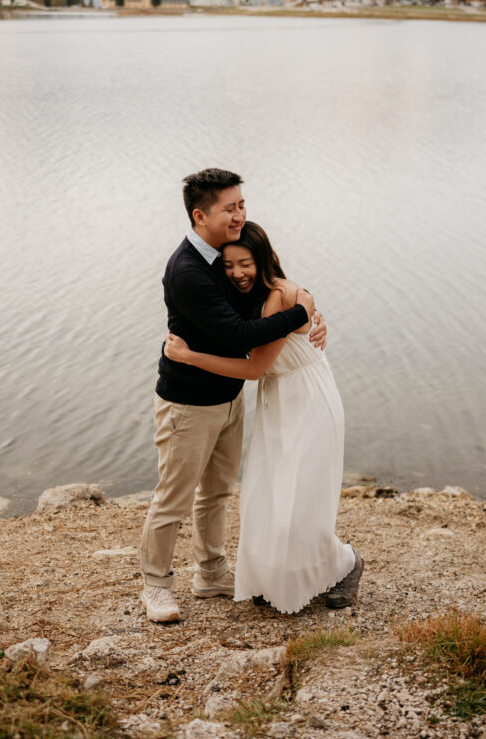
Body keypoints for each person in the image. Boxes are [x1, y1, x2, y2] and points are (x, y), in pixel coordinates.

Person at [140, 168, 326, 623]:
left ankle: (210, 573)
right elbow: (240, 333)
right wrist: (300, 312)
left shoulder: (226, 252)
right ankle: (156, 586)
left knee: (218, 492)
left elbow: (262, 290)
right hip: (187, 403)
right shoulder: (186, 271)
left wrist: (309, 314)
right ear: (200, 215)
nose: (241, 214)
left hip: (230, 396)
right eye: (231, 208)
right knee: (174, 497)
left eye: (242, 204)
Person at [164, 220, 363, 614]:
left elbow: (255, 368)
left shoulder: (282, 297)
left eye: (246, 263)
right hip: (280, 398)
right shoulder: (251, 298)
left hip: (306, 400)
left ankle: (346, 563)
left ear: (264, 260)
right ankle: (281, 578)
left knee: (300, 497)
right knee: (273, 495)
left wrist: (187, 356)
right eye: (229, 265)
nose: (238, 273)